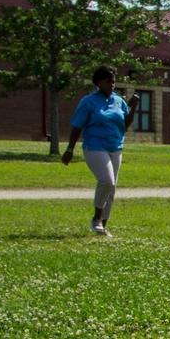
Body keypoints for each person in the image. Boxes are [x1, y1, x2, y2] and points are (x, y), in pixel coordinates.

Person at [62, 66, 138, 235]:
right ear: (98, 82)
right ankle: (96, 218)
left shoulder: (119, 101)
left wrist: (133, 108)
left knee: (112, 189)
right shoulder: (88, 102)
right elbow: (76, 126)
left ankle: (102, 226)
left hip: (115, 147)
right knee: (107, 180)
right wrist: (69, 149)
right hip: (95, 147)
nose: (112, 84)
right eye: (108, 81)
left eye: (113, 81)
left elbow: (124, 125)